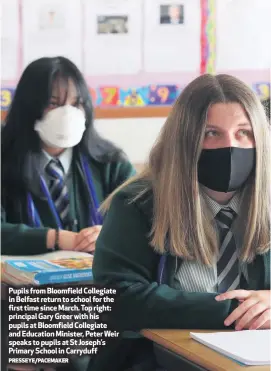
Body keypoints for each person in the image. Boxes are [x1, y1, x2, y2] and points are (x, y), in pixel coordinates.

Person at [89, 74, 270, 370]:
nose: (230, 146)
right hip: (158, 359)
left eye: (243, 133)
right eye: (211, 133)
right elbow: (117, 296)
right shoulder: (138, 204)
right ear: (185, 139)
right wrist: (235, 310)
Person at [1, 56, 135, 256]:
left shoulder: (111, 163)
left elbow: (146, 221)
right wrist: (57, 239)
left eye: (76, 103)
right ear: (28, 109)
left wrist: (111, 234)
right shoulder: (5, 159)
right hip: (23, 284)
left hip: (97, 283)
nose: (67, 114)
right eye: (54, 104)